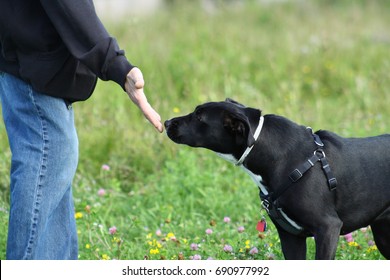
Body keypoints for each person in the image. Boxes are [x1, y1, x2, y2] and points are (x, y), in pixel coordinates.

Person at [0, 1, 163, 260]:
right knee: (45, 166)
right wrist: (118, 65)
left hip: (23, 64)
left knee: (52, 179)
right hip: (33, 73)